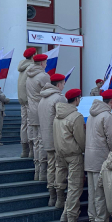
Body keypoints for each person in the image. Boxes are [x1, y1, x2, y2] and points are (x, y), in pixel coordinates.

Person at [53, 88, 89, 222]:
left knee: (66, 183)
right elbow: (81, 139)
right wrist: (84, 150)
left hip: (60, 153)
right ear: (77, 99)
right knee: (75, 188)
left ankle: (64, 215)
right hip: (73, 155)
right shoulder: (76, 116)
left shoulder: (57, 115)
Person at [84, 89, 112, 222]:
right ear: (111, 101)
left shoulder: (92, 115)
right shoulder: (108, 116)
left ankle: (93, 221)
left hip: (90, 158)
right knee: (100, 194)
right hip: (101, 159)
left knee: (92, 192)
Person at [39, 73, 67, 207]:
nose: (64, 85)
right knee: (60, 168)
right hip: (57, 139)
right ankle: (60, 198)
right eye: (63, 83)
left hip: (46, 138)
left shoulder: (43, 98)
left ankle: (52, 196)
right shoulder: (59, 98)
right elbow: (64, 120)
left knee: (51, 167)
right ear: (59, 84)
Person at [26, 54, 51, 180]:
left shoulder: (28, 76)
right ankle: (42, 173)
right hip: (42, 111)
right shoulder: (43, 76)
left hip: (31, 111)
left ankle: (37, 171)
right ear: (41, 63)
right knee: (42, 141)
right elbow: (49, 93)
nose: (46, 64)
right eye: (45, 62)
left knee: (36, 141)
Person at [17, 47, 37, 158]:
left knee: (23, 125)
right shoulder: (31, 67)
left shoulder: (22, 67)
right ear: (33, 55)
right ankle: (31, 150)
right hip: (30, 99)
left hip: (22, 99)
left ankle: (24, 150)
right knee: (30, 124)